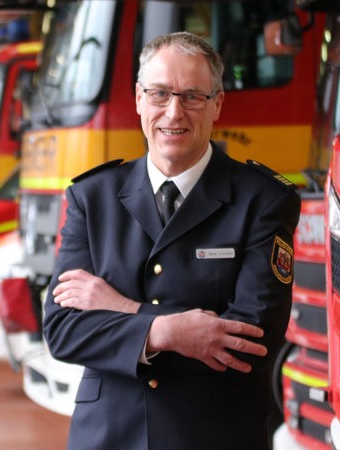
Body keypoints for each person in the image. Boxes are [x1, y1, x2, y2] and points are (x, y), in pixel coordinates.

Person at [43, 31, 300, 450]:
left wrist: (122, 308)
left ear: (217, 104)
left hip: (214, 436)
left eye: (193, 96)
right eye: (160, 94)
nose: (174, 112)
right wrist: (168, 331)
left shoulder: (264, 200)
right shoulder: (92, 197)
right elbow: (63, 330)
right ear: (139, 99)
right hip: (109, 435)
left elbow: (252, 340)